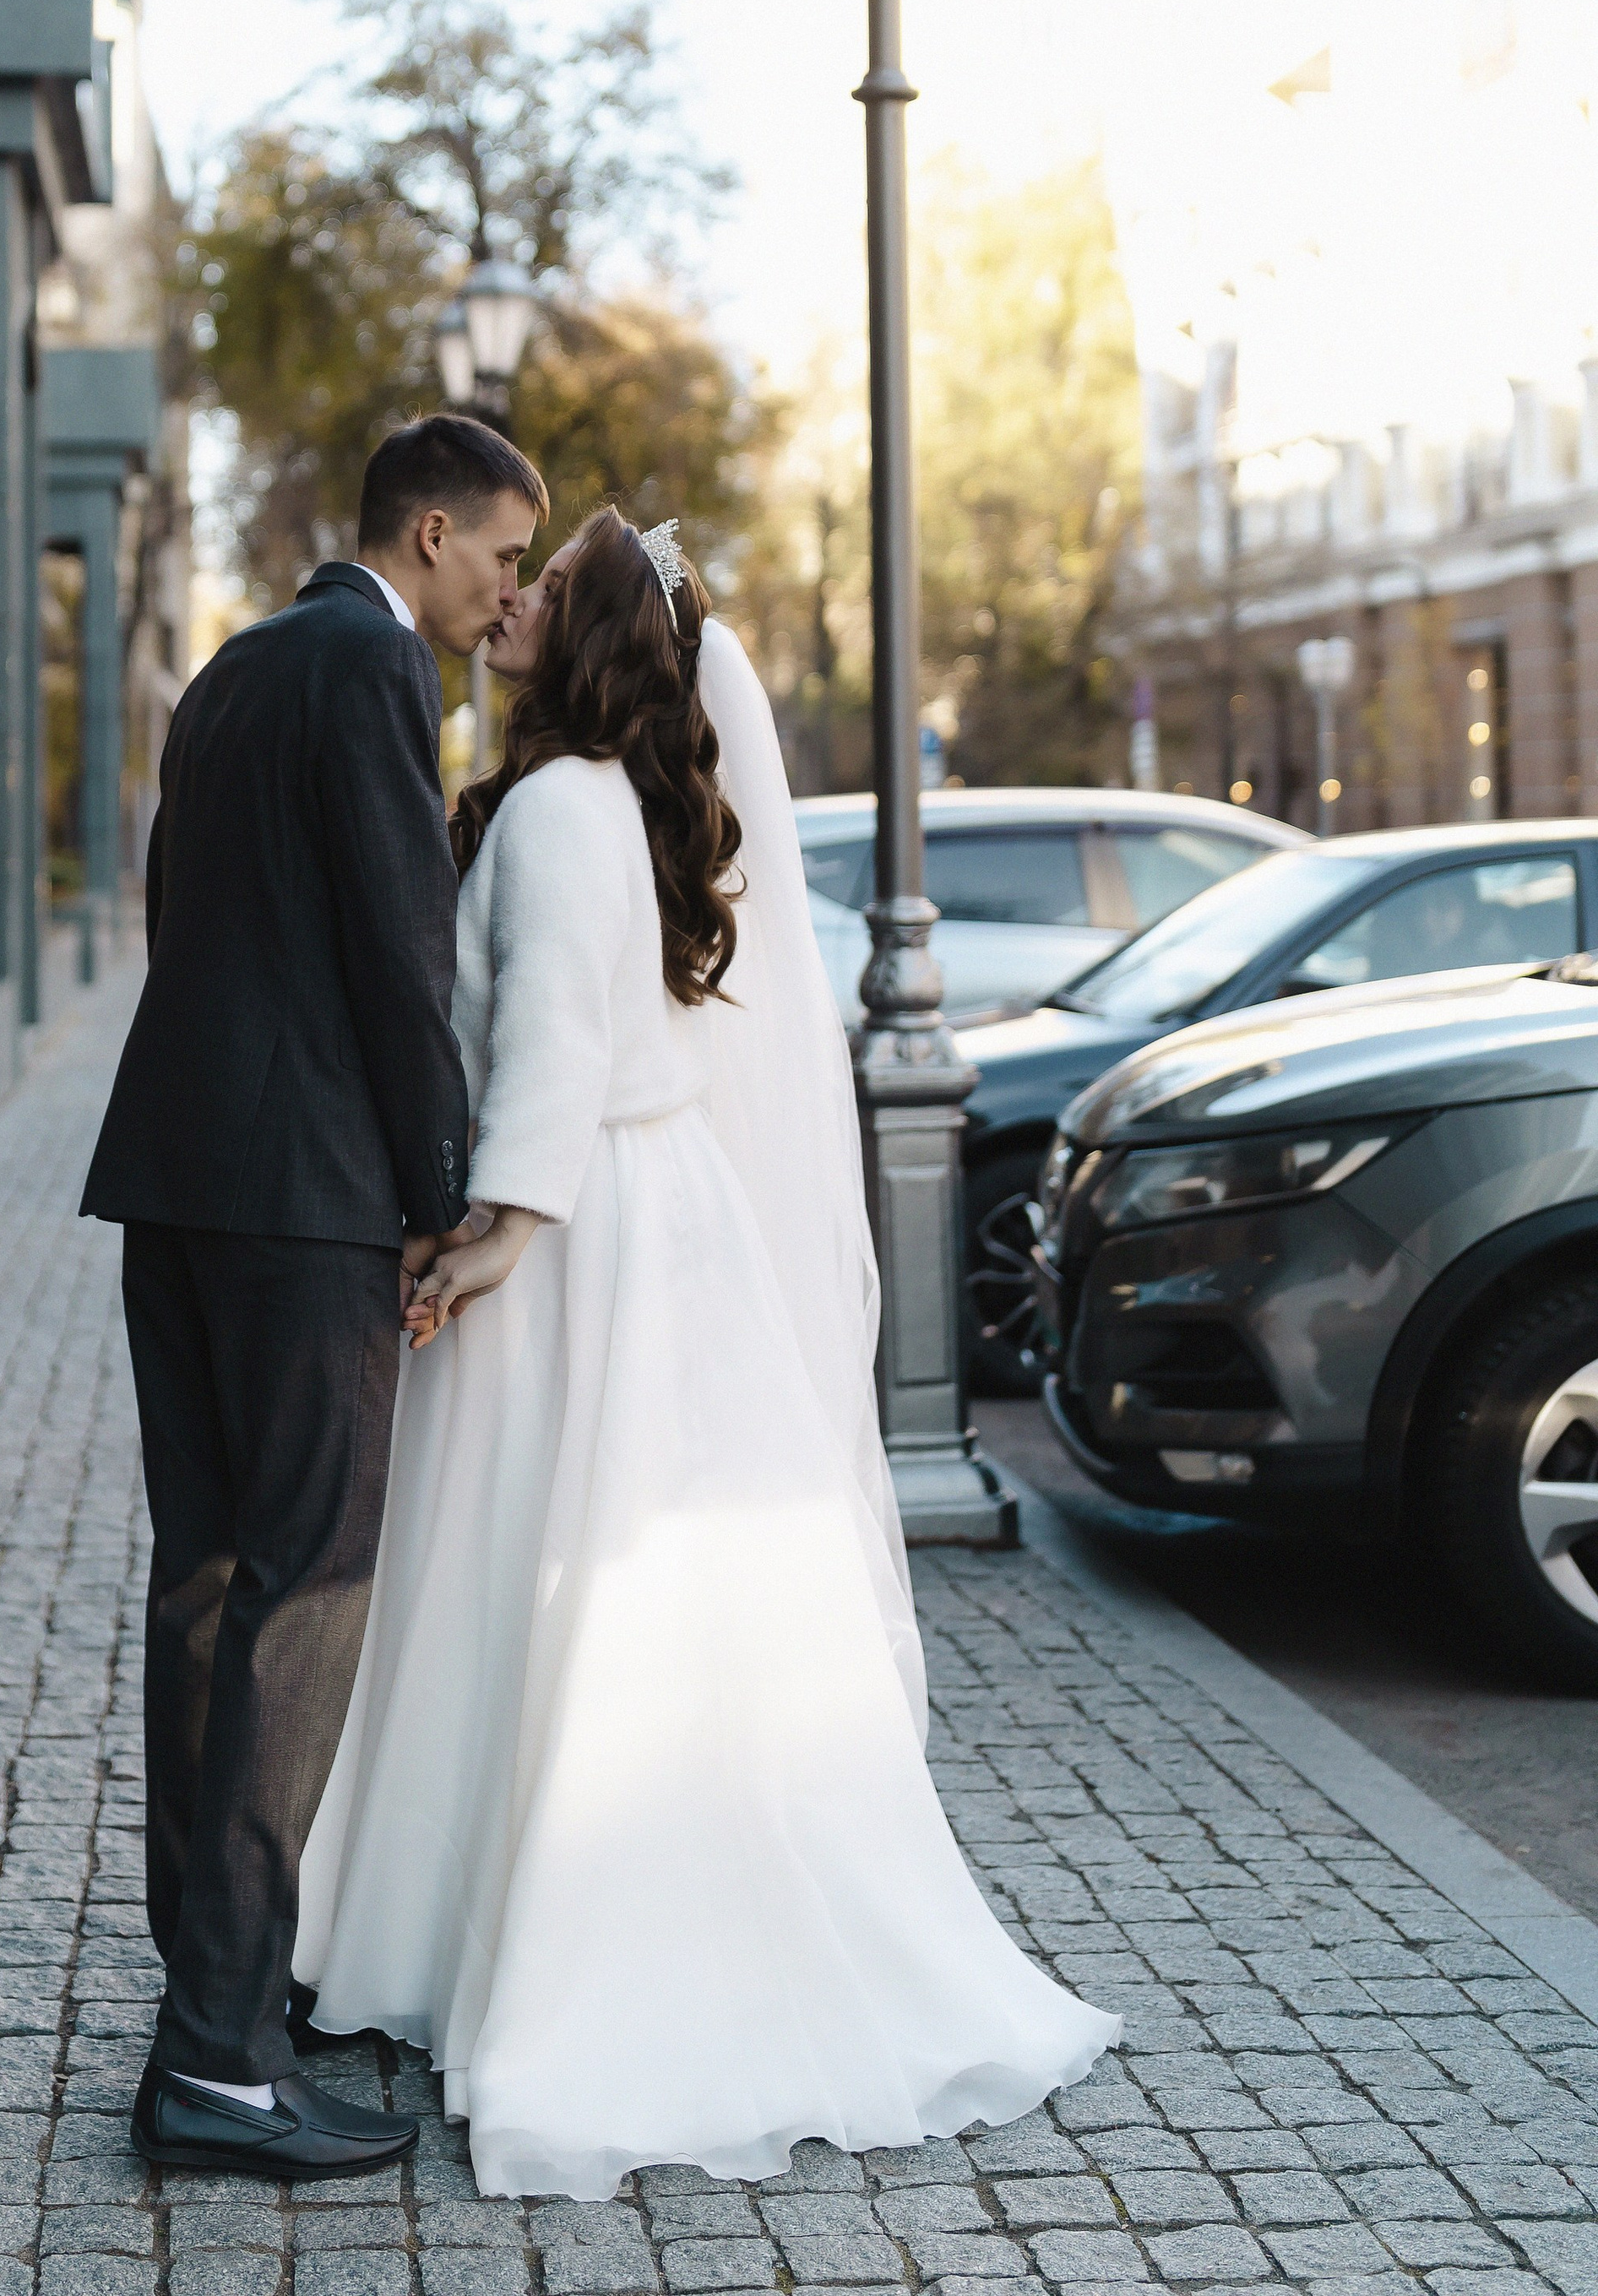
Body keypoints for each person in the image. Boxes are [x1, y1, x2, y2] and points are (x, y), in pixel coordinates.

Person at [295, 508, 1119, 2200]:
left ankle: (519, 1946)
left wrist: (480, 1244)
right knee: (616, 1604)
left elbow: (551, 1058)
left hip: (582, 1239)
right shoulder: (621, 808)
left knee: (538, 1588)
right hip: (656, 1227)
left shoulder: (554, 809)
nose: (509, 600)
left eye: (544, 589)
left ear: (589, 638)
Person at [79, 413, 546, 2183]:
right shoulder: (372, 665)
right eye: (502, 553)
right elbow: (394, 951)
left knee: (204, 1581)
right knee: (305, 1595)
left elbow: (176, 911)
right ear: (428, 533)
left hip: (178, 1185)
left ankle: (217, 1994)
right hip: (303, 1212)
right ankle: (214, 2058)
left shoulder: (236, 664)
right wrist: (442, 1200)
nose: (507, 593)